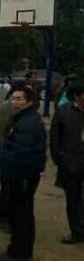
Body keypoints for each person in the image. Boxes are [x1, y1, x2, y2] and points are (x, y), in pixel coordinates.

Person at [0, 84, 46, 261]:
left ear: (29, 102)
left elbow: (22, 152)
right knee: (20, 213)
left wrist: (5, 156)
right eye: (12, 98)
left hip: (23, 175)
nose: (14, 102)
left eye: (19, 99)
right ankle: (18, 250)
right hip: (21, 174)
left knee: (21, 215)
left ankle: (20, 253)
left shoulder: (28, 122)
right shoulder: (22, 118)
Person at [50, 80, 84, 244]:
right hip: (71, 166)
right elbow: (54, 140)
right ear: (77, 96)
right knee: (73, 200)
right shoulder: (63, 112)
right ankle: (76, 231)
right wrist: (61, 160)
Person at [0, 92, 16, 231]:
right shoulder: (6, 108)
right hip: (7, 156)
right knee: (8, 188)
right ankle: (3, 218)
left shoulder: (28, 113)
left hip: (19, 157)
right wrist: (4, 152)